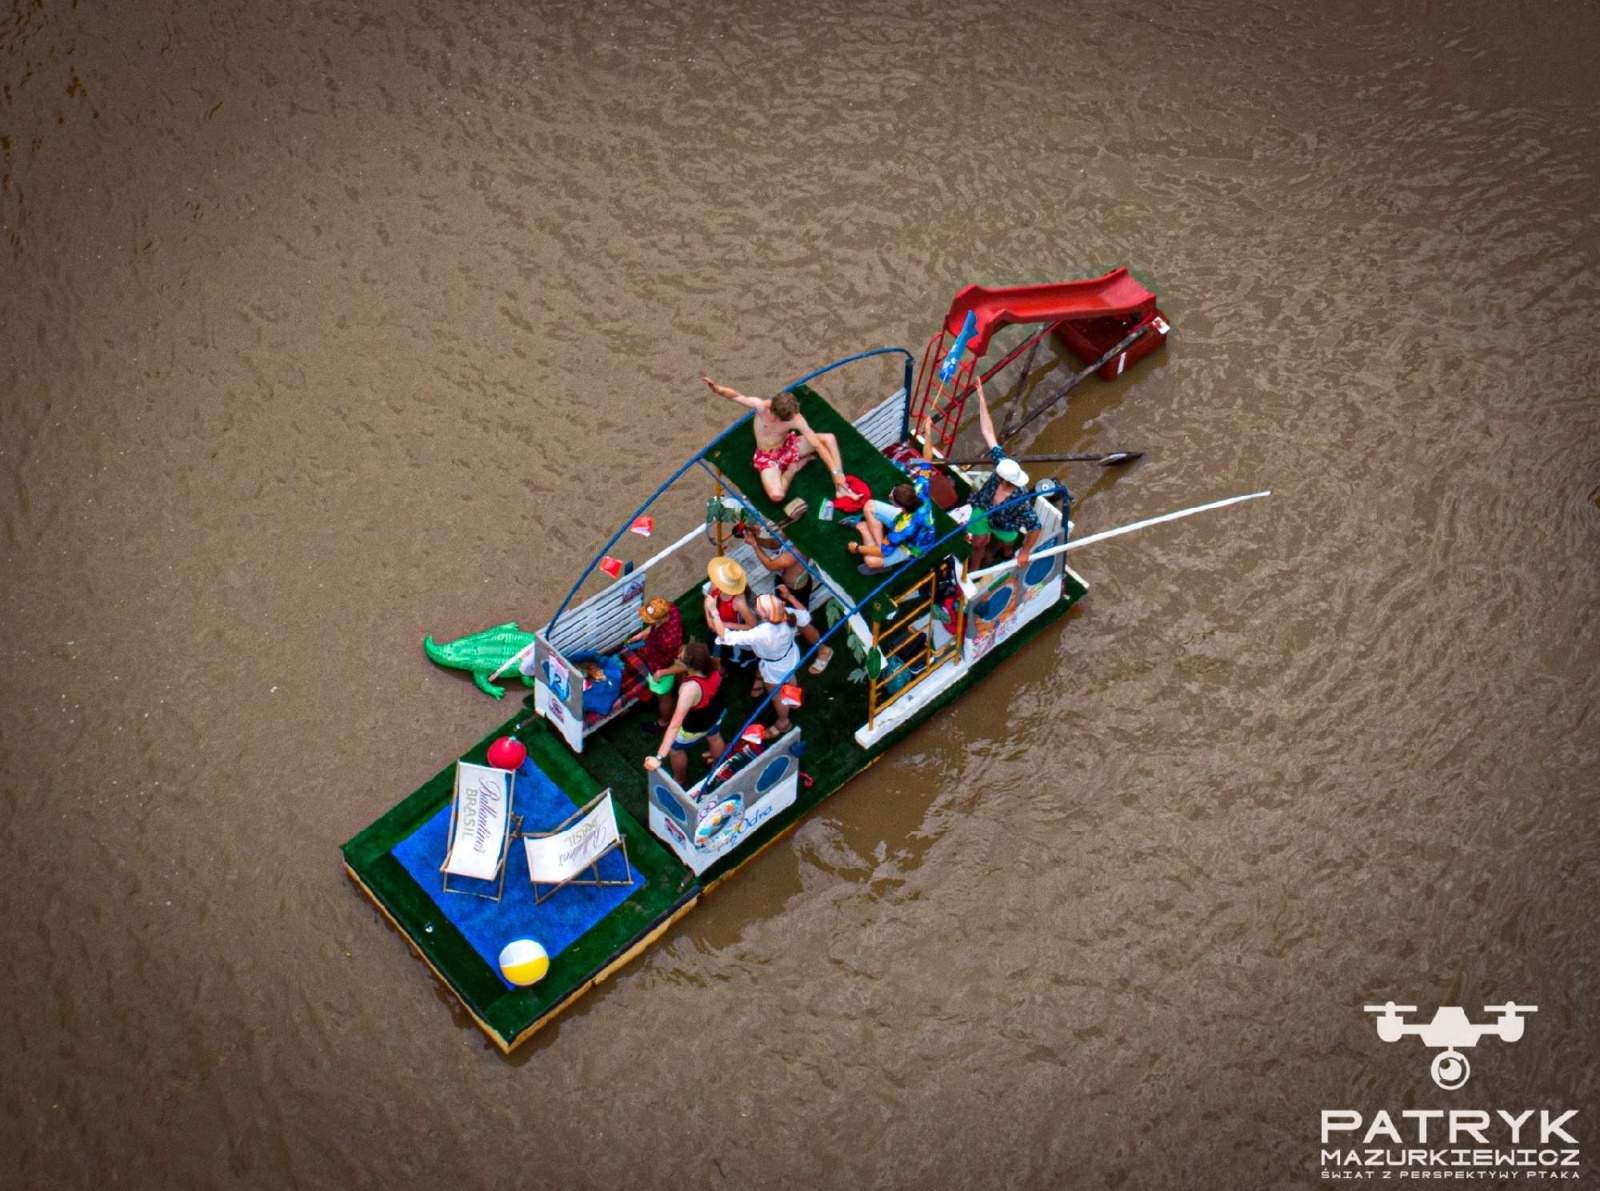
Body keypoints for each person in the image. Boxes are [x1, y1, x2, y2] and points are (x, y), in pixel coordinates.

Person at [702, 376, 852, 504]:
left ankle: (840, 485)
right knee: (777, 495)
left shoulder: (796, 418)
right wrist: (718, 389)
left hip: (788, 447)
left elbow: (817, 445)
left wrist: (836, 472)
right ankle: (794, 468)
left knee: (829, 439)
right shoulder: (761, 408)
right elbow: (736, 396)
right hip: (767, 458)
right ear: (776, 413)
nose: (794, 419)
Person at [706, 587, 809, 735]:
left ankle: (783, 722)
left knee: (777, 697)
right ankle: (792, 701)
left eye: (758, 607)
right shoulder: (789, 614)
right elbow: (805, 615)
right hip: (791, 655)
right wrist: (790, 597)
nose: (755, 606)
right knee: (790, 677)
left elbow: (726, 637)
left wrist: (714, 612)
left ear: (766, 615)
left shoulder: (762, 633)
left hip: (774, 667)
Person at [968, 374, 1042, 571]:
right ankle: (975, 570)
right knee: (977, 546)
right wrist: (981, 397)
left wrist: (1025, 552)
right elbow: (988, 432)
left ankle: (1000, 550)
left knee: (1008, 546)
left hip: (1005, 524)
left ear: (1002, 478)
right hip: (984, 510)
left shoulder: (1021, 501)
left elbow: (1036, 528)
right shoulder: (1002, 463)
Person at [740, 527, 833, 673]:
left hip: (795, 591)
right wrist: (757, 539)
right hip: (784, 584)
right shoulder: (792, 532)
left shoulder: (797, 550)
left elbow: (771, 565)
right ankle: (795, 630)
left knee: (803, 624)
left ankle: (824, 650)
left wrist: (754, 545)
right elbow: (776, 544)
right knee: (785, 617)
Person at [643, 642, 728, 786]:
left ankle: (680, 780)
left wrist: (658, 757)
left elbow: (675, 725)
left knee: (675, 749)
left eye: (680, 656)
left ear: (690, 666)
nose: (677, 656)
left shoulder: (690, 688)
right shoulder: (713, 664)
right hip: (717, 710)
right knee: (714, 736)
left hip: (697, 724)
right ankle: (719, 766)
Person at [704, 555, 759, 688]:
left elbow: (752, 625)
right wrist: (709, 618)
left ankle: (721, 672)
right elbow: (707, 599)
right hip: (717, 625)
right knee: (713, 651)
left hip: (728, 631)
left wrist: (726, 625)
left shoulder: (738, 601)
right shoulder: (715, 584)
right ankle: (719, 670)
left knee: (720, 654)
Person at [635, 597, 684, 731]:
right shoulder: (672, 609)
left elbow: (681, 663)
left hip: (662, 667)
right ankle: (682, 690)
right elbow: (654, 627)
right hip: (671, 657)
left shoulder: (666, 641)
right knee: (681, 677)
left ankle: (664, 722)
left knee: (664, 698)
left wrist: (661, 672)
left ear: (661, 619)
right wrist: (642, 635)